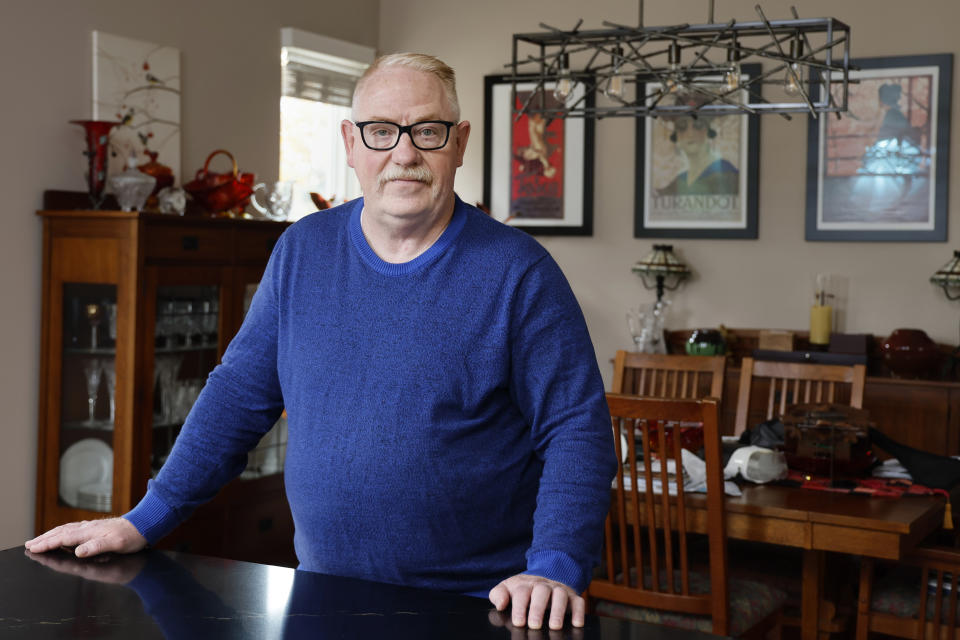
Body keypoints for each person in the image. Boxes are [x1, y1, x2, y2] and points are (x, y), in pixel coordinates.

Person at [26, 53, 617, 631]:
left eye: (427, 132)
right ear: (350, 142)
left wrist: (555, 568)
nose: (403, 153)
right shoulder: (301, 251)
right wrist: (144, 520)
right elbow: (237, 397)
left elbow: (576, 430)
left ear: (459, 144)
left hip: (475, 605)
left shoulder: (519, 273)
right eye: (381, 131)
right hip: (322, 597)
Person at [656, 96, 739, 196]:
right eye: (682, 126)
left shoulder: (727, 174)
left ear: (708, 131)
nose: (690, 133)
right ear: (676, 134)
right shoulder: (679, 181)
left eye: (698, 125)